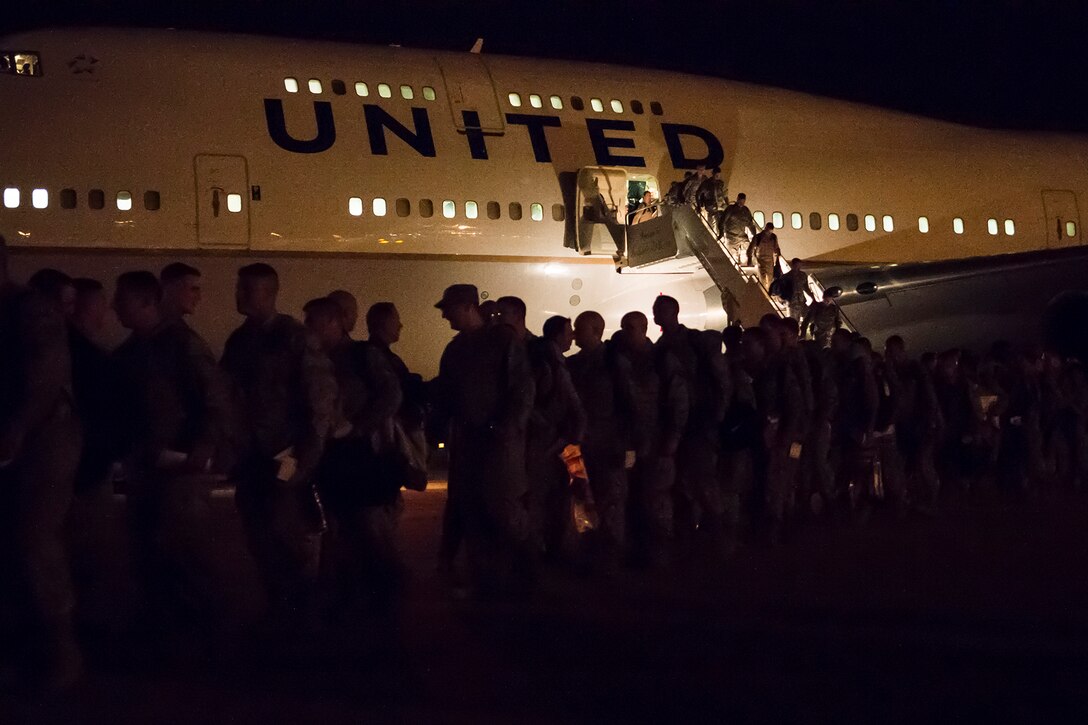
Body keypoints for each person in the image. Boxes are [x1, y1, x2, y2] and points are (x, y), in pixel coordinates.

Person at [112, 271, 234, 635]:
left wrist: (204, 446)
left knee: (185, 553)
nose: (114, 307)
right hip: (148, 466)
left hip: (181, 470)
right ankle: (168, 629)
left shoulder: (182, 345)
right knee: (148, 554)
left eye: (123, 300)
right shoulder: (132, 352)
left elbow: (215, 400)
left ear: (147, 302)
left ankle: (209, 631)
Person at [220, 263, 337, 626]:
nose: (240, 296)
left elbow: (320, 401)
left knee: (290, 536)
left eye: (247, 289)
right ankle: (280, 604)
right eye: (239, 288)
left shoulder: (294, 338)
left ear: (270, 294)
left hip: (285, 455)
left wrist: (307, 460)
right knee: (259, 536)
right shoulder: (240, 340)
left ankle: (301, 611)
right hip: (252, 456)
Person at [0, 236, 83, 689]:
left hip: (46, 439)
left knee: (36, 541)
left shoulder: (31, 311)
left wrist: (16, 429)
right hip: (19, 436)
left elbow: (45, 378)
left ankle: (61, 650)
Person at [429, 284, 535, 595]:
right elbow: (447, 395)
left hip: (499, 445)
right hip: (470, 443)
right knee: (473, 510)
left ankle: (524, 577)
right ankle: (488, 581)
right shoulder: (457, 348)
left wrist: (509, 428)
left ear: (466, 306)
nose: (445, 315)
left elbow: (522, 389)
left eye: (448, 309)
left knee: (504, 510)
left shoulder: (501, 341)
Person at [305, 297, 404, 614]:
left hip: (361, 455)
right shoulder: (317, 359)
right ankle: (351, 591)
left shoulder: (362, 356)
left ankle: (381, 595)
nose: (308, 329)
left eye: (314, 322)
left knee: (368, 526)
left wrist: (357, 427)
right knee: (337, 526)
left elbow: (391, 396)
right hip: (332, 454)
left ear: (333, 323)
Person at [652, 295, 732, 553]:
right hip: (679, 422)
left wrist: (718, 414)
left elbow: (721, 379)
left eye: (661, 310)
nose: (657, 315)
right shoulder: (662, 347)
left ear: (673, 312)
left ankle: (718, 534)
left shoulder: (695, 342)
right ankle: (697, 534)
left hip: (699, 419)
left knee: (703, 478)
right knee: (684, 481)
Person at [614, 311, 687, 566]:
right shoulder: (620, 360)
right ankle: (640, 549)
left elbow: (678, 401)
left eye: (631, 327)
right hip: (632, 442)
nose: (626, 332)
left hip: (657, 440)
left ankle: (660, 551)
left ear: (644, 328)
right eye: (624, 327)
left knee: (657, 496)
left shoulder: (660, 360)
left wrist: (673, 437)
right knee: (633, 494)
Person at [568, 310, 631, 571]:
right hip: (578, 445)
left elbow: (628, 404)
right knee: (581, 497)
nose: (573, 334)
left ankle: (609, 555)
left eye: (579, 328)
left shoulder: (614, 363)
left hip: (605, 443)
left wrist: (626, 443)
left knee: (609, 500)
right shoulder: (577, 364)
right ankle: (592, 552)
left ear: (596, 330)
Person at [524, 314, 587, 561]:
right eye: (568, 331)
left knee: (556, 496)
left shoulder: (543, 359)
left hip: (555, 441)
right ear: (558, 335)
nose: (571, 336)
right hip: (560, 443)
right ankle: (554, 552)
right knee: (564, 496)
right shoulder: (552, 363)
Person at [719, 193, 758, 262]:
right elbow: (722, 220)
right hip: (731, 236)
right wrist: (721, 232)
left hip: (742, 236)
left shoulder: (745, 210)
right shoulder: (730, 209)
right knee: (732, 256)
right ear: (737, 199)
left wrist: (755, 235)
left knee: (750, 249)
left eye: (743, 201)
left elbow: (750, 224)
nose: (741, 202)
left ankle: (750, 262)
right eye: (740, 200)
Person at [749, 223, 781, 290]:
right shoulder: (758, 237)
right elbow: (751, 248)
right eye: (768, 231)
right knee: (762, 279)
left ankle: (768, 293)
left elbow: (776, 248)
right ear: (765, 228)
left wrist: (778, 255)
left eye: (770, 231)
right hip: (760, 260)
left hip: (770, 261)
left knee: (770, 279)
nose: (769, 233)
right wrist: (750, 259)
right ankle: (764, 293)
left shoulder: (773, 237)